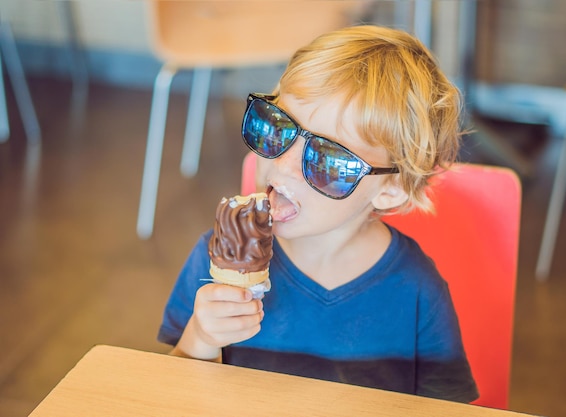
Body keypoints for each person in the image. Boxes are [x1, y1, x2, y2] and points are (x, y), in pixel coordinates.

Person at [158, 25, 478, 403]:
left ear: (391, 190)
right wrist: (201, 338)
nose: (284, 165)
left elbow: (446, 409)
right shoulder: (215, 258)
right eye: (278, 128)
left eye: (329, 160)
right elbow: (168, 392)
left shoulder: (417, 292)